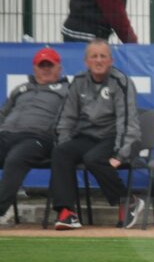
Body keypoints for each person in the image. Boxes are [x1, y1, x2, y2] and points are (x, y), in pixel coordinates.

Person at [51, 38, 144, 231]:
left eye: (103, 56)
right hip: (87, 137)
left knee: (93, 159)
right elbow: (66, 119)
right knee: (61, 152)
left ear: (111, 60)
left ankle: (128, 201)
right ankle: (67, 213)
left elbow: (127, 123)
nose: (99, 60)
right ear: (86, 62)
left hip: (114, 136)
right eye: (94, 56)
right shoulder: (78, 82)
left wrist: (120, 155)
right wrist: (66, 146)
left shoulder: (120, 82)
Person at [0, 48, 70, 227]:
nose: (45, 69)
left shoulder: (67, 90)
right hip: (6, 134)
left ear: (59, 68)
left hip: (37, 138)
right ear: (34, 68)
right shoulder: (21, 89)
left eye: (50, 65)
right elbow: (3, 114)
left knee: (15, 159)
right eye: (42, 65)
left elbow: (71, 118)